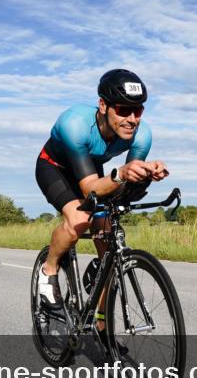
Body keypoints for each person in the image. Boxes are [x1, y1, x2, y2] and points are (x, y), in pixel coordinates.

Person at [34, 69, 169, 315]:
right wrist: (121, 173)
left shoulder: (142, 135)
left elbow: (126, 184)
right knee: (79, 219)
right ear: (103, 105)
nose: (132, 119)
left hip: (91, 168)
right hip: (54, 168)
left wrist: (146, 173)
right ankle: (49, 269)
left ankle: (101, 323)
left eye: (138, 111)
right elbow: (90, 189)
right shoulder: (74, 123)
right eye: (123, 110)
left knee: (108, 244)